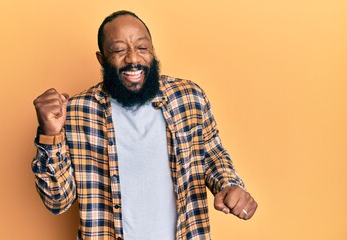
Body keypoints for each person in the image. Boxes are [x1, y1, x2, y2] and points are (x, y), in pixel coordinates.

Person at [32, 10, 257, 240]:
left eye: (142, 47)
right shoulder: (77, 112)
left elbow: (212, 155)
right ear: (101, 59)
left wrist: (229, 185)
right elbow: (56, 200)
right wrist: (51, 134)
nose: (133, 59)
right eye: (119, 50)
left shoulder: (189, 98)